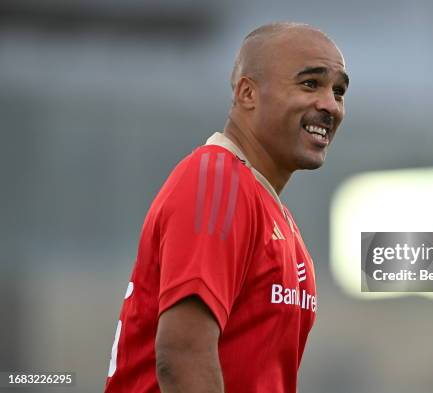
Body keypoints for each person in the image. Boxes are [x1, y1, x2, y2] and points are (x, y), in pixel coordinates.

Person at [104, 22, 349, 393]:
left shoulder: (273, 214)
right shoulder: (217, 181)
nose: (330, 104)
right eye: (310, 84)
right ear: (247, 93)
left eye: (339, 91)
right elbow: (184, 356)